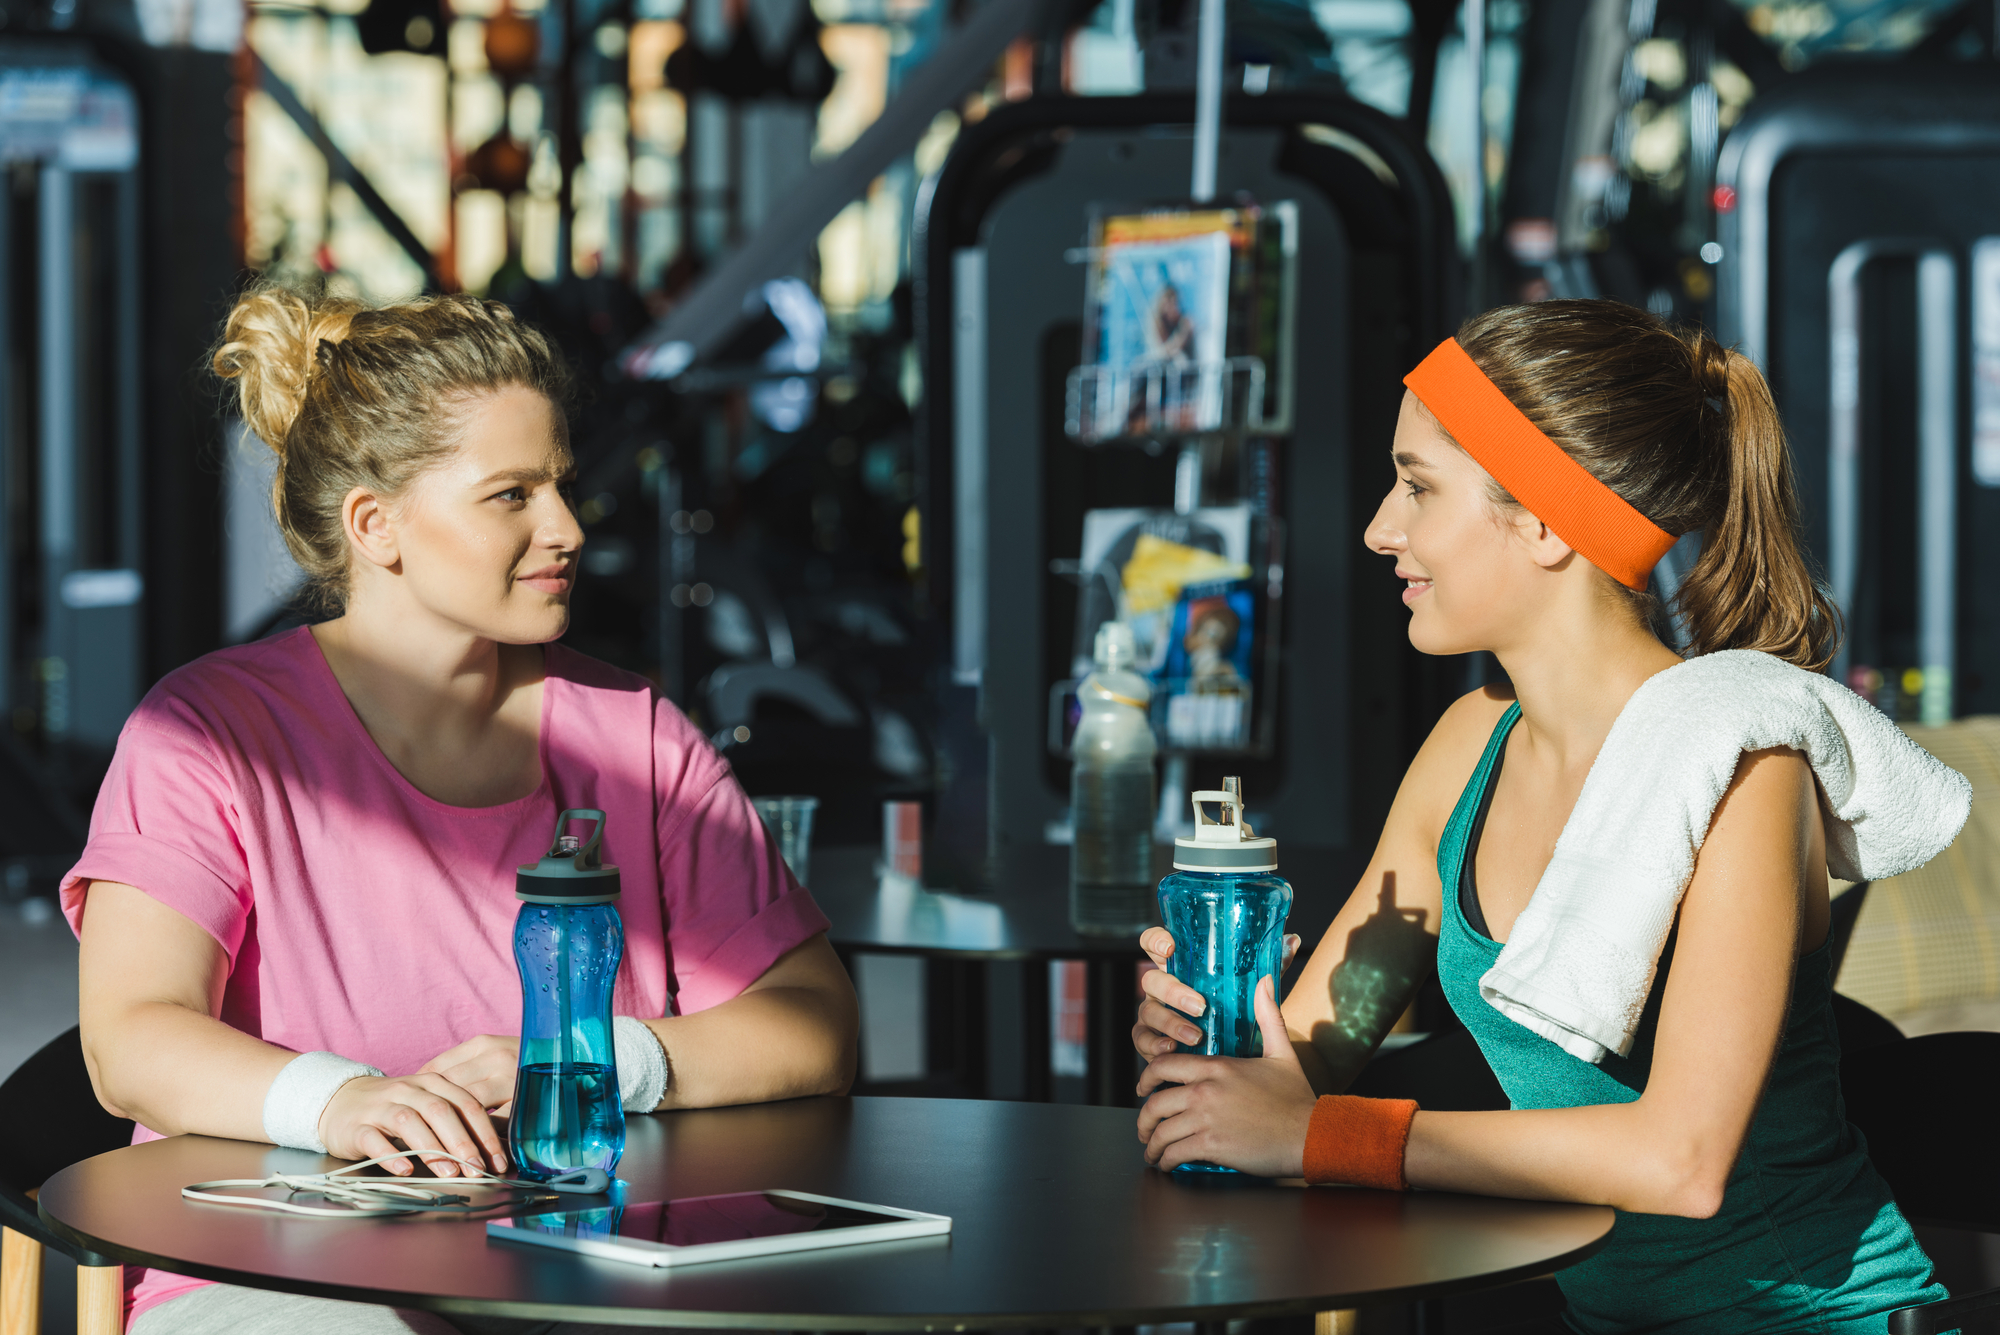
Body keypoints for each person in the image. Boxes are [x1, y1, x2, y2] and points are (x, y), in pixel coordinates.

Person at [1131, 300, 1958, 1334]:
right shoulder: (1462, 749)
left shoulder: (1743, 766)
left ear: (1543, 520)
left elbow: (1679, 1162)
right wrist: (1204, 1044)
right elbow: (1297, 1071)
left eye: (1417, 487)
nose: (1379, 527)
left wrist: (1314, 1136)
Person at [66, 286, 858, 1335]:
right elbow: (129, 1039)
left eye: (561, 487)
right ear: (375, 525)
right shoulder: (205, 735)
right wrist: (340, 1101)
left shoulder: (638, 734)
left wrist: (592, 1066)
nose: (566, 528)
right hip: (269, 1281)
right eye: (510, 495)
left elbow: (815, 1020)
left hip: (585, 1275)